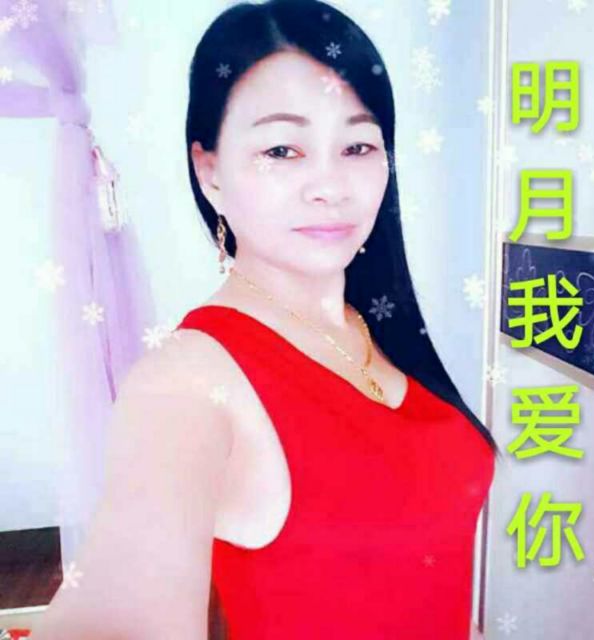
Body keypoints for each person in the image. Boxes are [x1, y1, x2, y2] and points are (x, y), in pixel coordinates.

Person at [31, 1, 498, 638]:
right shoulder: (188, 383)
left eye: (358, 145)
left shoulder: (378, 328)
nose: (330, 185)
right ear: (210, 171)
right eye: (282, 149)